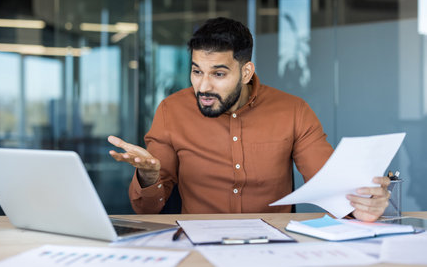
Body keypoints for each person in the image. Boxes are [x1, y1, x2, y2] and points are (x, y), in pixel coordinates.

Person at [108, 17, 390, 222]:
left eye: (218, 74)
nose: (203, 86)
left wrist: (362, 203)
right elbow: (148, 210)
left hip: (274, 249)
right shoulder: (172, 111)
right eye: (196, 71)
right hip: (198, 248)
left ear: (245, 72)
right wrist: (148, 175)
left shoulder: (293, 111)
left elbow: (331, 185)